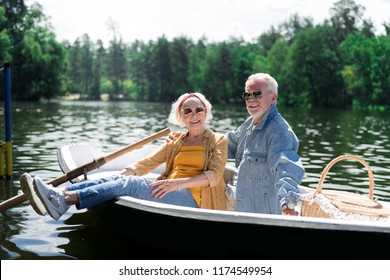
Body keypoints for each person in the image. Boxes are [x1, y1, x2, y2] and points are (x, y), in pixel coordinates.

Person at [21, 92, 228, 220]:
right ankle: (58, 193)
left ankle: (66, 201)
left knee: (130, 184)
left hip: (197, 200)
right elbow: (148, 163)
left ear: (206, 113)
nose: (193, 115)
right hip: (169, 190)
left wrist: (177, 184)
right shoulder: (176, 141)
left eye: (198, 110)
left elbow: (215, 176)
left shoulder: (218, 140)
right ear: (181, 117)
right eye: (187, 111)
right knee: (122, 178)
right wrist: (122, 174)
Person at [167, 73, 305, 215]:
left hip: (263, 215)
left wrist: (288, 204)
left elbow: (287, 167)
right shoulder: (249, 125)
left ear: (273, 97)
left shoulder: (279, 131)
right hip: (243, 209)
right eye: (247, 95)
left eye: (257, 94)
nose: (251, 99)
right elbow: (221, 144)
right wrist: (187, 138)